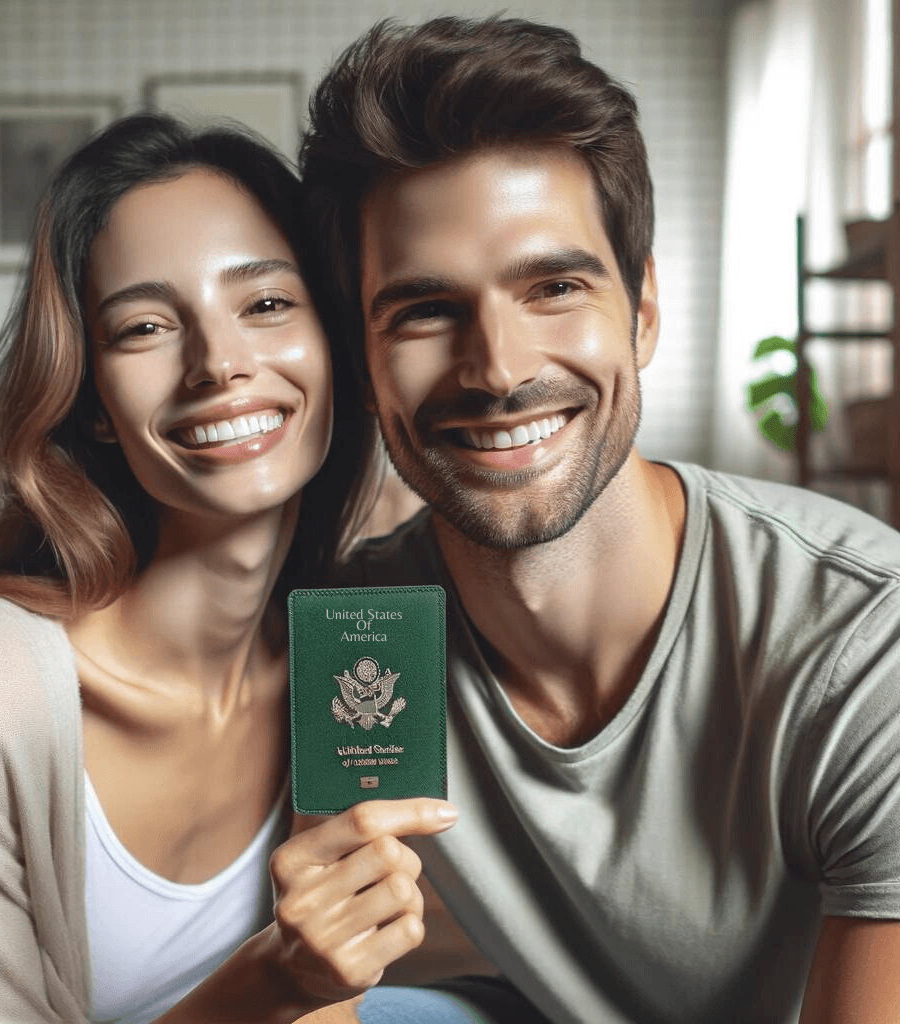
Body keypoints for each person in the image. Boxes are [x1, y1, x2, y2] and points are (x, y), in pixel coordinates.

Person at [300, 15, 900, 1023]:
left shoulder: (857, 634)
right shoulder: (361, 631)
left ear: (644, 309)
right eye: (423, 309)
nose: (498, 367)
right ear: (362, 362)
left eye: (555, 286)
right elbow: (327, 978)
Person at [0, 112, 464, 1024]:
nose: (220, 363)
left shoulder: (345, 663)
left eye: (266, 304)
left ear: (337, 347)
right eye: (145, 326)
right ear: (95, 402)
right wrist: (272, 982)